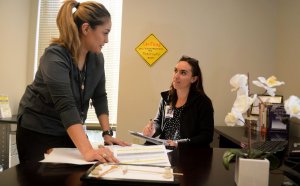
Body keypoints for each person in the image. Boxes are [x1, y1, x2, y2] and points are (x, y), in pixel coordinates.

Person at [16, 0, 129, 164]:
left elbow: (100, 96)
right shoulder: (54, 57)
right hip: (37, 130)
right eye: (105, 33)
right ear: (85, 29)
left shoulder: (96, 58)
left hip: (66, 129)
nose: (107, 40)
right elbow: (66, 104)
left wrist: (106, 133)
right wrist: (88, 150)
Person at [143, 55, 214, 148]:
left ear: (194, 79)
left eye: (183, 73)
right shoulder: (166, 98)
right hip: (164, 149)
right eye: (175, 71)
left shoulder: (203, 102)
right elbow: (158, 122)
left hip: (187, 153)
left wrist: (178, 144)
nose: (176, 76)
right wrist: (153, 129)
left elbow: (206, 136)